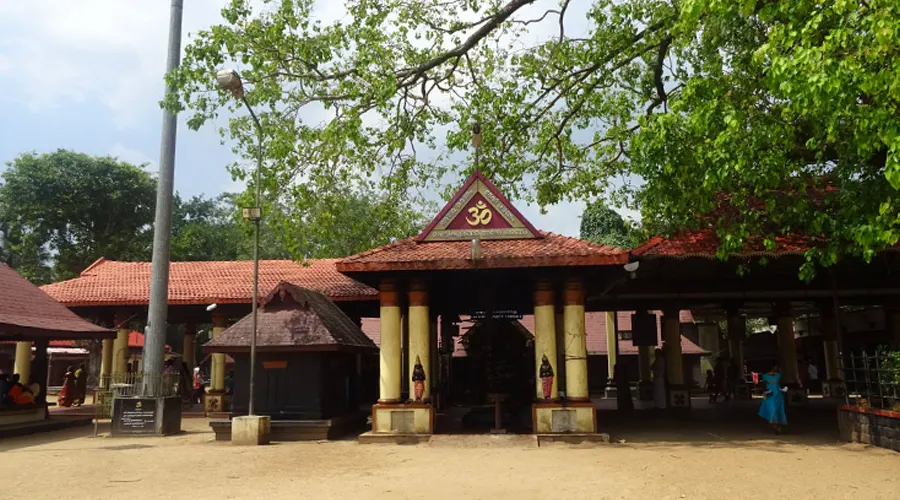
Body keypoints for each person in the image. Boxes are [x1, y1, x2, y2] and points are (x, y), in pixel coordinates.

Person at [758, 364, 788, 433]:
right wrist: (765, 391)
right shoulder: (765, 376)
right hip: (770, 395)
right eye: (774, 368)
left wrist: (784, 389)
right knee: (772, 409)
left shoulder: (778, 375)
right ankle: (775, 425)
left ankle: (776, 426)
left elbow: (781, 384)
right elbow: (763, 385)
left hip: (778, 395)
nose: (775, 370)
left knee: (778, 410)